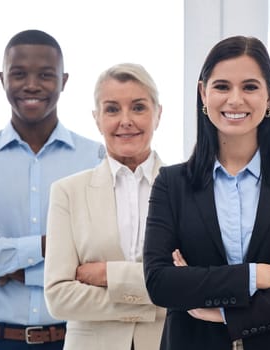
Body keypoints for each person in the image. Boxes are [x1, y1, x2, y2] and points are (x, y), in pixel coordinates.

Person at [143, 35, 270, 350]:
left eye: (249, 87)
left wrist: (226, 314)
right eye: (221, 87)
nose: (235, 100)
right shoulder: (171, 184)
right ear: (203, 93)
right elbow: (161, 284)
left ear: (269, 96)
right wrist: (258, 276)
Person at [0, 29, 104, 349]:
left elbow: (102, 265)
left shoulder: (96, 158)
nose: (31, 85)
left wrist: (6, 262)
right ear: (2, 79)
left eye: (45, 75)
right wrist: (48, 246)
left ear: (64, 80)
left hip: (76, 340)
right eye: (19, 74)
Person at [43, 62, 166, 350]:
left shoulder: (189, 188)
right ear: (97, 118)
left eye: (138, 107)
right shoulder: (67, 193)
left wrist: (107, 275)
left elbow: (197, 285)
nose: (126, 120)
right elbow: (59, 297)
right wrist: (153, 301)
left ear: (158, 114)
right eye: (112, 109)